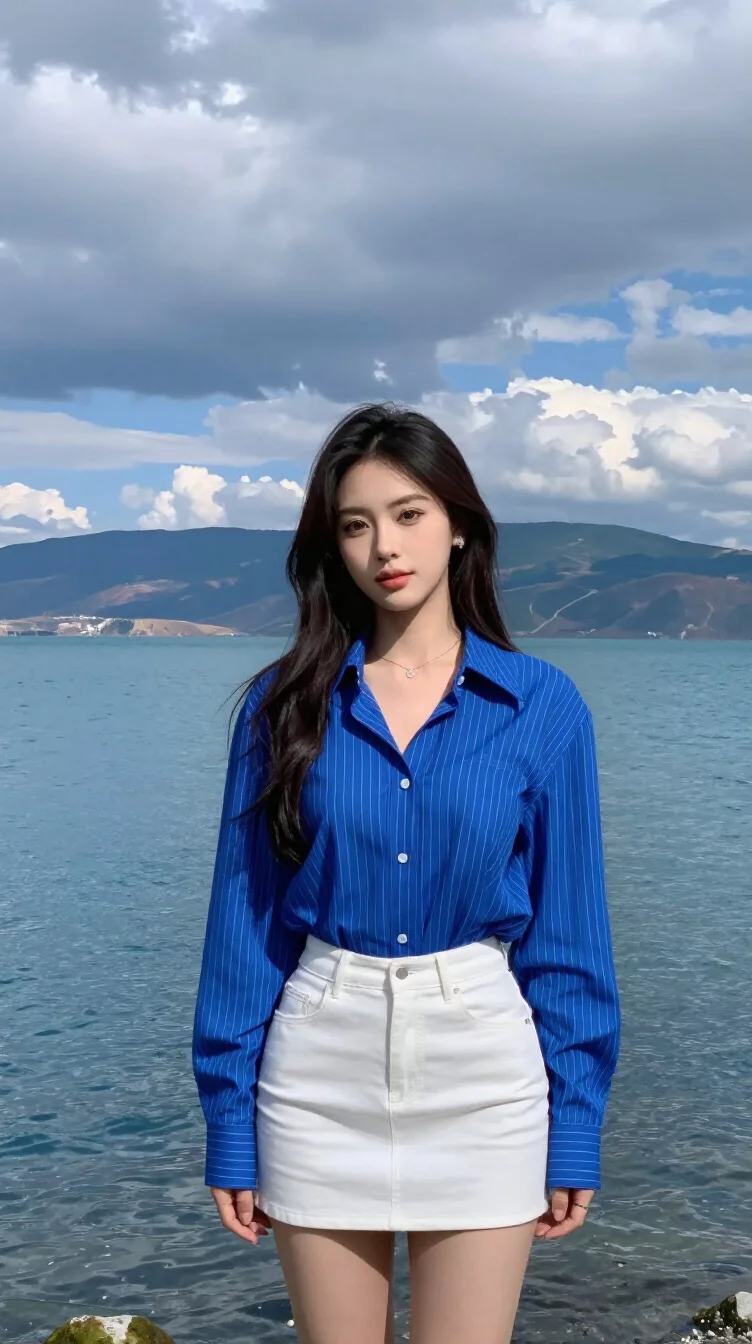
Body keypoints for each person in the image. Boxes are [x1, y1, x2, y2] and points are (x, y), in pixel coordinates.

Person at [191, 402, 621, 1344]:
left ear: (459, 523)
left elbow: (568, 934)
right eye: (356, 524)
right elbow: (245, 926)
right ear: (333, 547)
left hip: (484, 1073)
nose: (385, 545)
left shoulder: (543, 707)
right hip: (317, 1069)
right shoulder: (280, 707)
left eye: (409, 513)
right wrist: (229, 1116)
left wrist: (575, 1119)